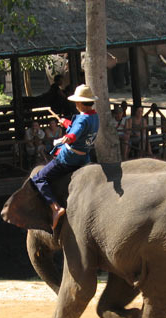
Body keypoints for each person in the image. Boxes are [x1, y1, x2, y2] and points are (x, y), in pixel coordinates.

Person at [31, 84, 99, 230]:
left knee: (38, 178)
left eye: (76, 102)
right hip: (84, 158)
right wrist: (67, 123)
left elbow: (75, 133)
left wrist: (65, 138)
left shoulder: (81, 120)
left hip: (70, 159)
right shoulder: (94, 117)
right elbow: (81, 129)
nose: (75, 104)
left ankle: (55, 208)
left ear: (80, 103)